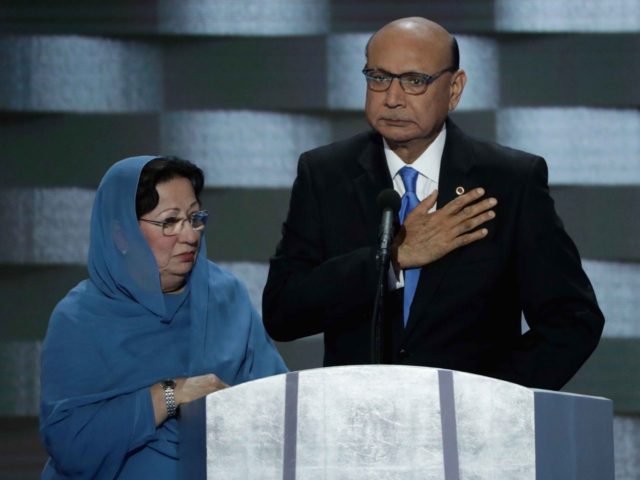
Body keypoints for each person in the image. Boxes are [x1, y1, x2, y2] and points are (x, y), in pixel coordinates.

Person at [262, 17, 603, 390]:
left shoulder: (510, 180)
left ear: (454, 89)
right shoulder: (325, 174)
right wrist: (391, 260)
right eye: (378, 77)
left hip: (474, 429)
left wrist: (493, 398)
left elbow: (573, 318)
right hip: (358, 424)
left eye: (414, 81)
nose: (392, 98)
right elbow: (283, 312)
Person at [40, 156, 287, 479]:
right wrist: (170, 395)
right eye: (169, 222)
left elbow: (277, 405)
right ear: (121, 235)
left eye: (194, 217)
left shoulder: (225, 296)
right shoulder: (80, 319)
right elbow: (70, 445)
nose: (190, 236)